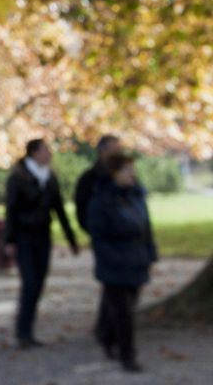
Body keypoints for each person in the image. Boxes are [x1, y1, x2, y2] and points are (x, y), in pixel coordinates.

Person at [4, 138, 79, 349]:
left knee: (38, 283)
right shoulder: (18, 178)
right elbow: (10, 210)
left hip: (43, 236)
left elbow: (59, 210)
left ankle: (28, 330)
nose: (49, 154)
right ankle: (23, 331)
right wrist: (9, 239)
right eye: (46, 150)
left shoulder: (50, 178)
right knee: (29, 283)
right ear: (34, 153)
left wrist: (70, 238)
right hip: (24, 237)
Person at [86, 152, 158, 373]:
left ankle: (107, 337)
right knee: (124, 312)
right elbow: (98, 237)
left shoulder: (136, 196)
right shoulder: (102, 201)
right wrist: (114, 259)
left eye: (132, 170)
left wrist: (150, 253)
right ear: (115, 173)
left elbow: (146, 227)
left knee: (123, 307)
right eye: (126, 170)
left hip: (136, 259)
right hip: (115, 264)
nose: (131, 174)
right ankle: (128, 355)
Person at [75, 134, 123, 350]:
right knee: (110, 280)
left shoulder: (122, 175)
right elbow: (82, 211)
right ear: (103, 151)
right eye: (115, 149)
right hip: (103, 238)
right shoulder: (89, 179)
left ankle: (108, 325)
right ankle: (106, 327)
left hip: (123, 238)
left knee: (119, 283)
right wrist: (96, 231)